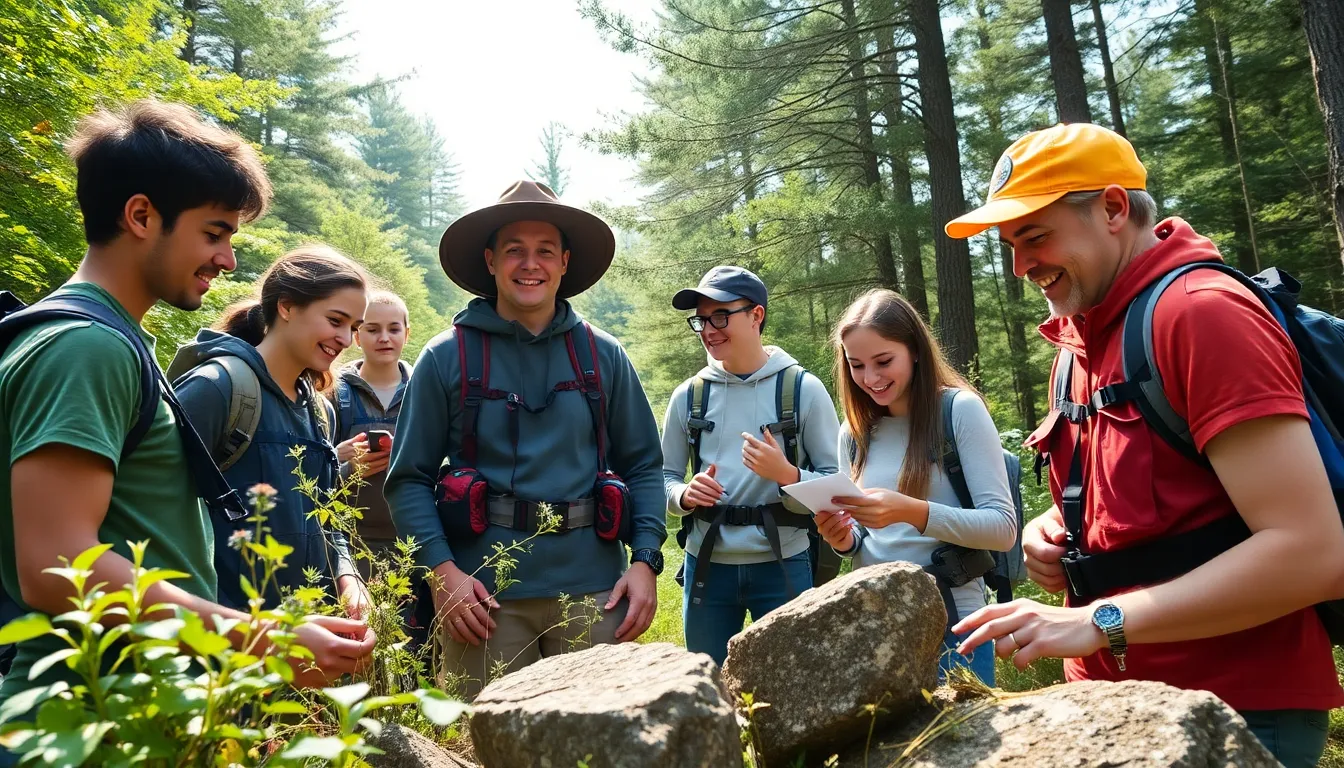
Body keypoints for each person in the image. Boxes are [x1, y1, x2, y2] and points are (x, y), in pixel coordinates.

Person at [947, 122, 1344, 767]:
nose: (1020, 267)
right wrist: (1054, 532)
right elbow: (1161, 496)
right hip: (1106, 709)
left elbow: (1313, 551)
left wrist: (1096, 621)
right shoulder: (1076, 346)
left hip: (1234, 715)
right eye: (1009, 245)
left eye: (1035, 236)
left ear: (1112, 208)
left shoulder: (1202, 315)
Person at [0, 101, 374, 754]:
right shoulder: (86, 349)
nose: (228, 261)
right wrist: (268, 640)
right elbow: (56, 565)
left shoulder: (103, 341)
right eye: (213, 233)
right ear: (141, 216)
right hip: (92, 724)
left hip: (131, 712)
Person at [385, 180, 666, 698]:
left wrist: (646, 560)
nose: (529, 264)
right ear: (490, 261)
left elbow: (645, 466)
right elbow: (409, 479)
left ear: (564, 262)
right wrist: (442, 574)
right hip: (484, 599)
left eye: (543, 251)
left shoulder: (604, 356)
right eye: (514, 250)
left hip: (595, 595)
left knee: (597, 746)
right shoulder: (445, 357)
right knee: (489, 750)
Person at [815, 289, 1016, 685]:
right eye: (856, 365)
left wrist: (912, 511)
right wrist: (842, 537)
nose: (870, 379)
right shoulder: (853, 433)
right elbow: (861, 538)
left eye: (884, 361)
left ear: (916, 351)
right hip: (874, 614)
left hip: (952, 613)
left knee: (963, 737)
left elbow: (1002, 528)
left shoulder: (959, 411)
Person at [171, 245, 372, 621]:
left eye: (354, 328)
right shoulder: (217, 389)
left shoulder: (321, 411)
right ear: (287, 306)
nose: (346, 339)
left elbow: (325, 517)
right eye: (335, 320)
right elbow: (153, 519)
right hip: (222, 651)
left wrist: (347, 577)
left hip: (304, 645)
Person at [661, 266, 841, 667]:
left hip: (784, 563)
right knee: (708, 686)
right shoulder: (688, 396)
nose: (708, 330)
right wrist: (684, 495)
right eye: (701, 320)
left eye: (720, 316)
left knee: (793, 682)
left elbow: (835, 484)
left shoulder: (801, 389)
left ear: (756, 315)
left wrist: (787, 476)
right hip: (706, 566)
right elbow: (663, 476)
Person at [328, 290, 426, 645]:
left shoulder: (426, 391)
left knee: (414, 650)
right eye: (372, 329)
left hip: (415, 545)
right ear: (356, 335)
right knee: (356, 646)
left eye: (393, 329)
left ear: (407, 333)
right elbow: (311, 476)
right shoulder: (332, 393)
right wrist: (341, 459)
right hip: (350, 548)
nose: (384, 338)